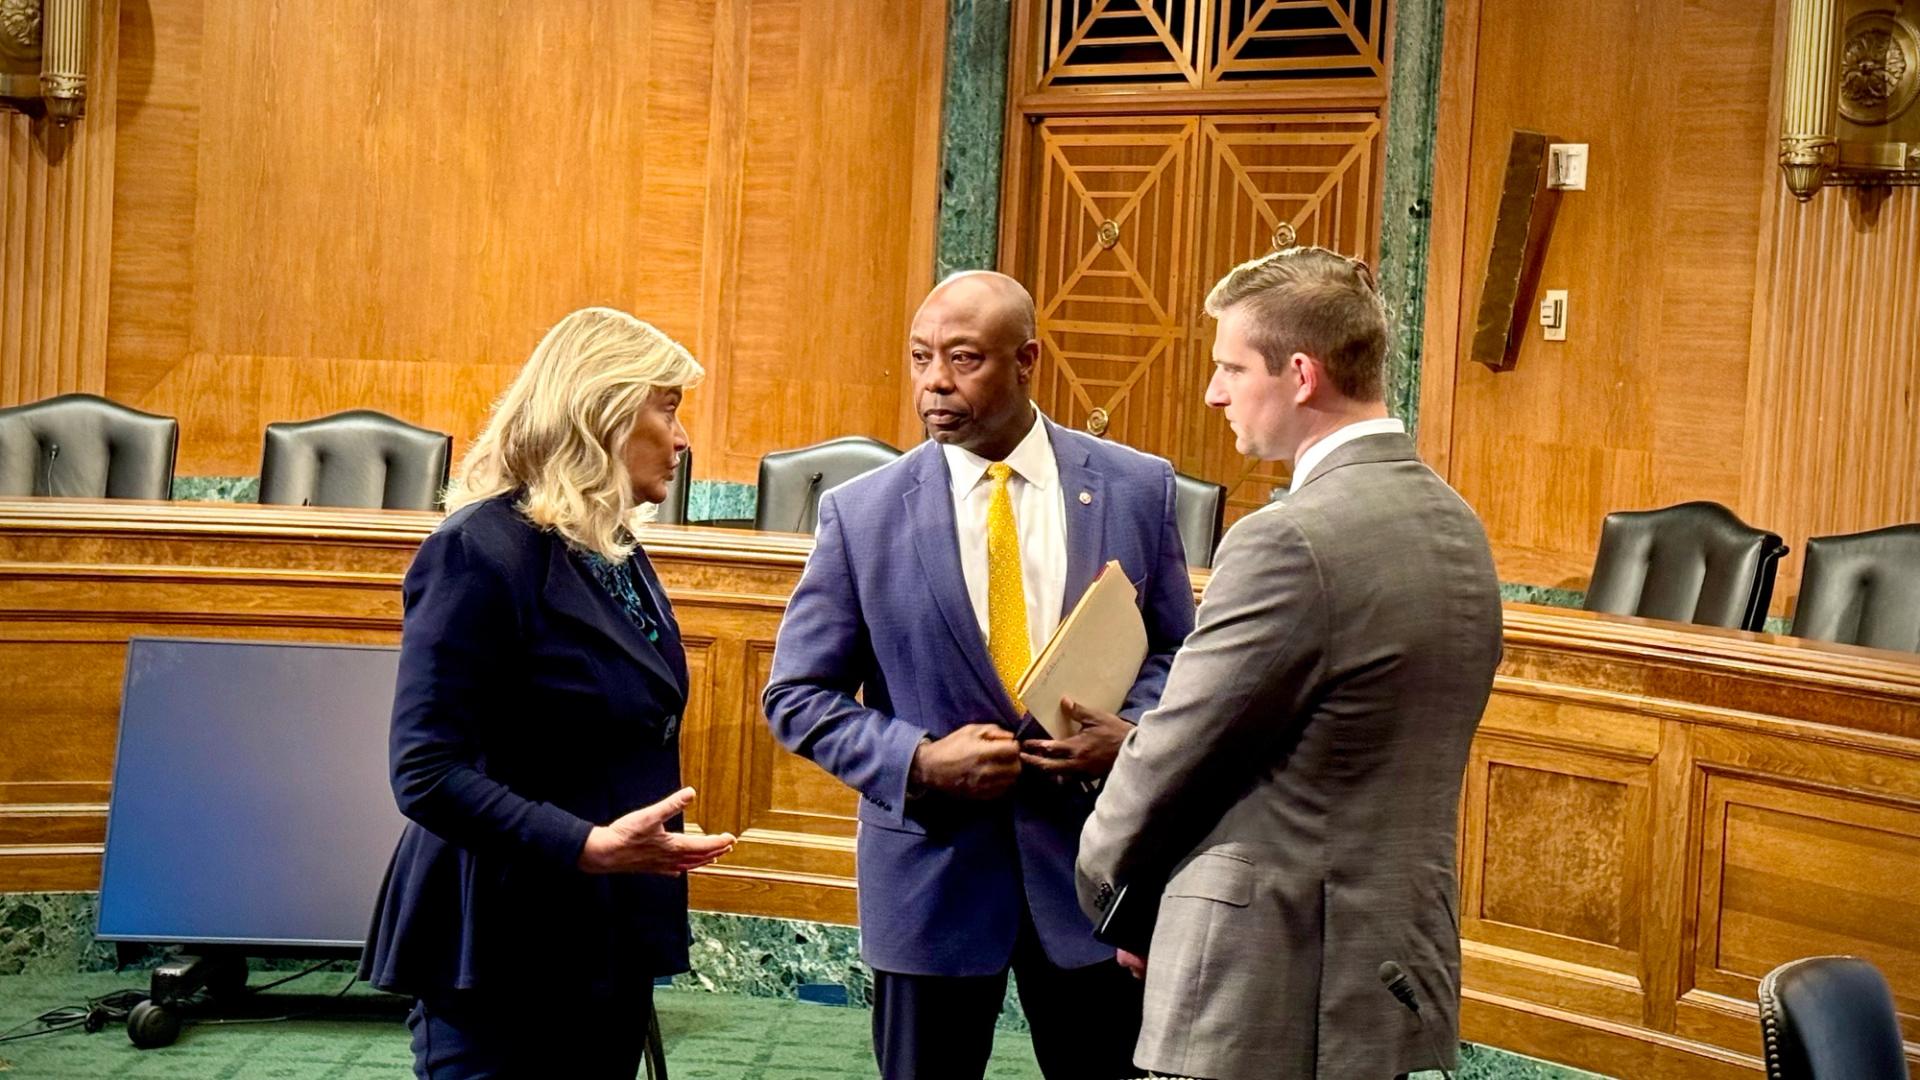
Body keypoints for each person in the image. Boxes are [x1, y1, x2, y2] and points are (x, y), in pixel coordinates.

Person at [1075, 247, 1504, 1080]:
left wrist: (1107, 890)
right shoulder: (1457, 524)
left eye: (1231, 367)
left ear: (1301, 375)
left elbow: (1179, 750)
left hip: (1266, 980)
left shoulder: (1288, 539)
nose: (1215, 392)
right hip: (1388, 970)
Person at [761, 271, 1197, 1080]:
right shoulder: (861, 514)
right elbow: (796, 696)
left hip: (1093, 882)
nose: (934, 382)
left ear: (1027, 361)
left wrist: (1131, 734)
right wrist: (917, 760)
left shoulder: (1137, 488)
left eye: (963, 359)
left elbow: (1179, 652)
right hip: (931, 883)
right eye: (920, 357)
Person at [361, 307, 736, 1079]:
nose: (682, 438)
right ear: (603, 410)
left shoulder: (613, 549)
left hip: (604, 936)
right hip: (501, 943)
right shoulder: (476, 551)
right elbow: (426, 772)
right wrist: (585, 846)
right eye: (667, 409)